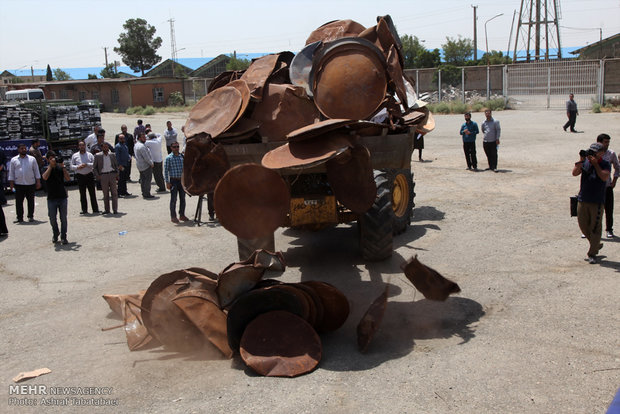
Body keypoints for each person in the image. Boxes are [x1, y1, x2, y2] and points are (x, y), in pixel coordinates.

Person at [572, 142, 610, 264]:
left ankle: (592, 253)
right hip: (583, 199)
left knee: (595, 228)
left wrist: (596, 165)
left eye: (595, 152)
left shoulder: (605, 164)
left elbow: (604, 177)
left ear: (601, 153)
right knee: (583, 225)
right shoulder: (586, 162)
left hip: (597, 201)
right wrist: (581, 161)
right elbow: (575, 173)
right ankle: (596, 244)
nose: (592, 154)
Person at [8, 143, 41, 223]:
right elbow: (11, 173)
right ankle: (19, 217)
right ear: (18, 150)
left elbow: (36, 171)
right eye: (22, 148)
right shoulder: (14, 160)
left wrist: (38, 182)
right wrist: (11, 185)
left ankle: (30, 216)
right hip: (19, 184)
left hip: (30, 183)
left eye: (25, 148)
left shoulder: (32, 159)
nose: (24, 150)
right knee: (19, 202)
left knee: (30, 201)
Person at [42, 151, 69, 244]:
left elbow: (68, 178)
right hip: (51, 198)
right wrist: (50, 167)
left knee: (64, 218)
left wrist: (63, 167)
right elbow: (44, 177)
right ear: (48, 160)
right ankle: (55, 232)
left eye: (54, 158)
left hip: (62, 197)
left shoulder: (60, 168)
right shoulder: (46, 168)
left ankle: (63, 236)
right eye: (51, 159)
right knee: (52, 218)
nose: (53, 160)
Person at [597, 133, 620, 238]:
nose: (607, 144)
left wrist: (614, 180)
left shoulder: (611, 154)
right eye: (605, 142)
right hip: (595, 186)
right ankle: (591, 230)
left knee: (609, 209)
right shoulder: (593, 153)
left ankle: (609, 229)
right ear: (599, 142)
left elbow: (617, 167)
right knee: (594, 210)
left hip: (607, 186)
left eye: (608, 142)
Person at [71, 140, 99, 214]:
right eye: (80, 145)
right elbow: (71, 166)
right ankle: (84, 210)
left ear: (85, 146)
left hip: (89, 174)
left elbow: (94, 164)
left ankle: (95, 209)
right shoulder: (75, 155)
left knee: (92, 193)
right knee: (82, 193)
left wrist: (87, 164)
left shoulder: (90, 155)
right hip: (80, 176)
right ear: (78, 146)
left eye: (83, 145)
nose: (82, 146)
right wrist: (78, 167)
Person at [164, 141, 189, 223]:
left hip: (181, 181)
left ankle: (182, 215)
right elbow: (165, 171)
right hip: (173, 181)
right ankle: (173, 216)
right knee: (173, 199)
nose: (176, 148)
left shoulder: (182, 157)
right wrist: (167, 182)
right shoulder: (168, 158)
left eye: (177, 146)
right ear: (171, 148)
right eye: (174, 147)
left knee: (183, 198)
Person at [93, 142, 119, 214]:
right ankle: (107, 210)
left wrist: (117, 173)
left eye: (107, 147)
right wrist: (97, 175)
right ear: (101, 148)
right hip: (103, 175)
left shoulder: (112, 155)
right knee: (106, 194)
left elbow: (116, 165)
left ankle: (115, 209)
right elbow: (94, 167)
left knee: (114, 193)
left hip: (112, 174)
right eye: (104, 147)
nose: (106, 148)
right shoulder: (98, 156)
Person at [134, 132, 154, 199]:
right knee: (147, 180)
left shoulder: (137, 144)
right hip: (145, 166)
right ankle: (147, 193)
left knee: (143, 180)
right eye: (143, 137)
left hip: (140, 165)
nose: (145, 138)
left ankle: (144, 192)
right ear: (139, 138)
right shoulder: (141, 146)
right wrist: (151, 163)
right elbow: (146, 157)